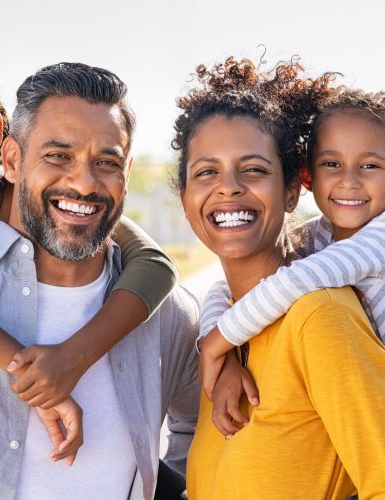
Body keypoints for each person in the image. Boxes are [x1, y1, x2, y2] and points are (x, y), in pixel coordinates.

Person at [0, 61, 199, 499]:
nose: (84, 183)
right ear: (13, 159)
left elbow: (201, 423)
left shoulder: (166, 313)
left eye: (106, 162)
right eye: (58, 156)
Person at [172, 57, 385, 498]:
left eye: (253, 169)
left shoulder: (320, 316)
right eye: (206, 171)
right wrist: (220, 344)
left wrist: (218, 342)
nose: (228, 187)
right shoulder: (228, 326)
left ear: (292, 190)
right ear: (185, 197)